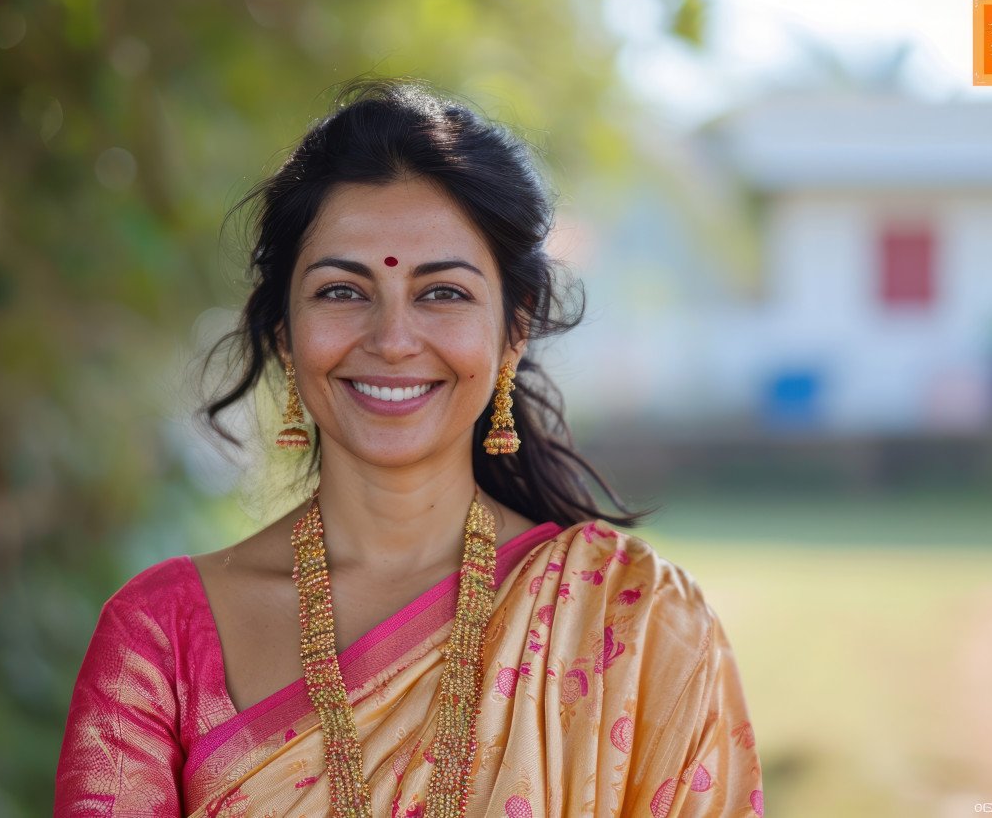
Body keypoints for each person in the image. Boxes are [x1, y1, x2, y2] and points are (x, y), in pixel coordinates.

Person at [54, 78, 765, 817]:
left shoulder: (636, 624)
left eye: (443, 293)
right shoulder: (160, 639)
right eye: (342, 291)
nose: (392, 340)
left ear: (514, 330)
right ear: (285, 335)